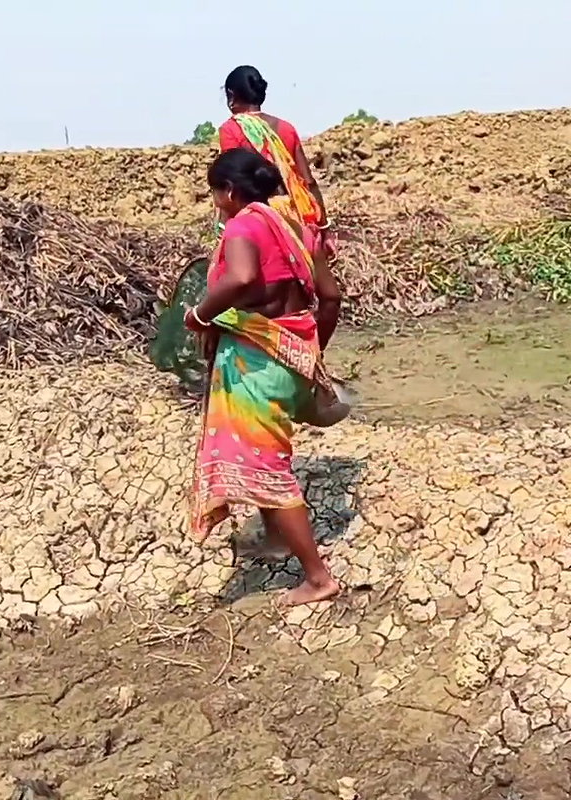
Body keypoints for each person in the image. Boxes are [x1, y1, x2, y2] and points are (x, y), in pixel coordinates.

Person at [184, 148, 344, 606]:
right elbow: (329, 299)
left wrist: (199, 314)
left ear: (230, 192)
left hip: (257, 364)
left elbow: (240, 277)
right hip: (291, 356)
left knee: (267, 467)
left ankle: (318, 579)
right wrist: (308, 353)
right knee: (263, 452)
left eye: (216, 195)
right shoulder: (298, 228)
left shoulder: (243, 227)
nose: (216, 204)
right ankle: (275, 542)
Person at [217, 65, 333, 268]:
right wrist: (325, 230)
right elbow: (309, 181)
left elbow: (233, 185)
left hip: (258, 220)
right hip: (295, 217)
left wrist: (225, 231)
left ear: (231, 96)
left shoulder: (231, 129)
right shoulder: (286, 128)